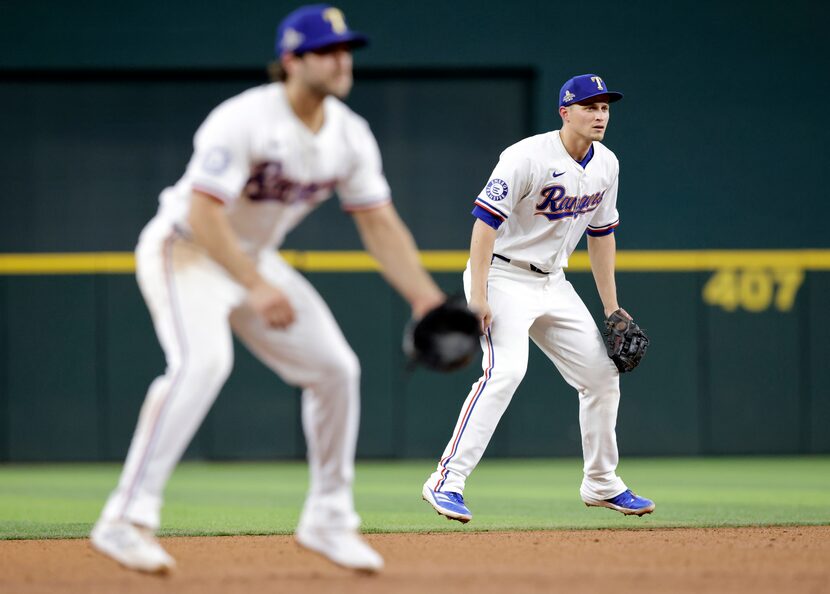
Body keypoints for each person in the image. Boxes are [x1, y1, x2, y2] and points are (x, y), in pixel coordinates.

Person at [90, 4, 444, 574]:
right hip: (186, 250)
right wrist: (253, 286)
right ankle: (124, 518)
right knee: (201, 363)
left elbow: (378, 223)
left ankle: (328, 518)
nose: (341, 60)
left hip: (252, 259)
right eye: (326, 50)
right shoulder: (245, 118)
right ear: (290, 60)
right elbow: (204, 212)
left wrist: (425, 297)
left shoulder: (350, 136)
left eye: (346, 49)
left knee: (335, 369)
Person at [421, 74, 655, 523]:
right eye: (590, 106)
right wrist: (478, 294)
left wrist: (612, 307)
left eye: (605, 107)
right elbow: (483, 225)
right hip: (503, 275)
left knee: (602, 377)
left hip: (553, 282)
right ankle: (445, 481)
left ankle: (602, 483)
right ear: (565, 112)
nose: (600, 115)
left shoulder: (607, 164)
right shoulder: (526, 156)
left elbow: (602, 235)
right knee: (506, 372)